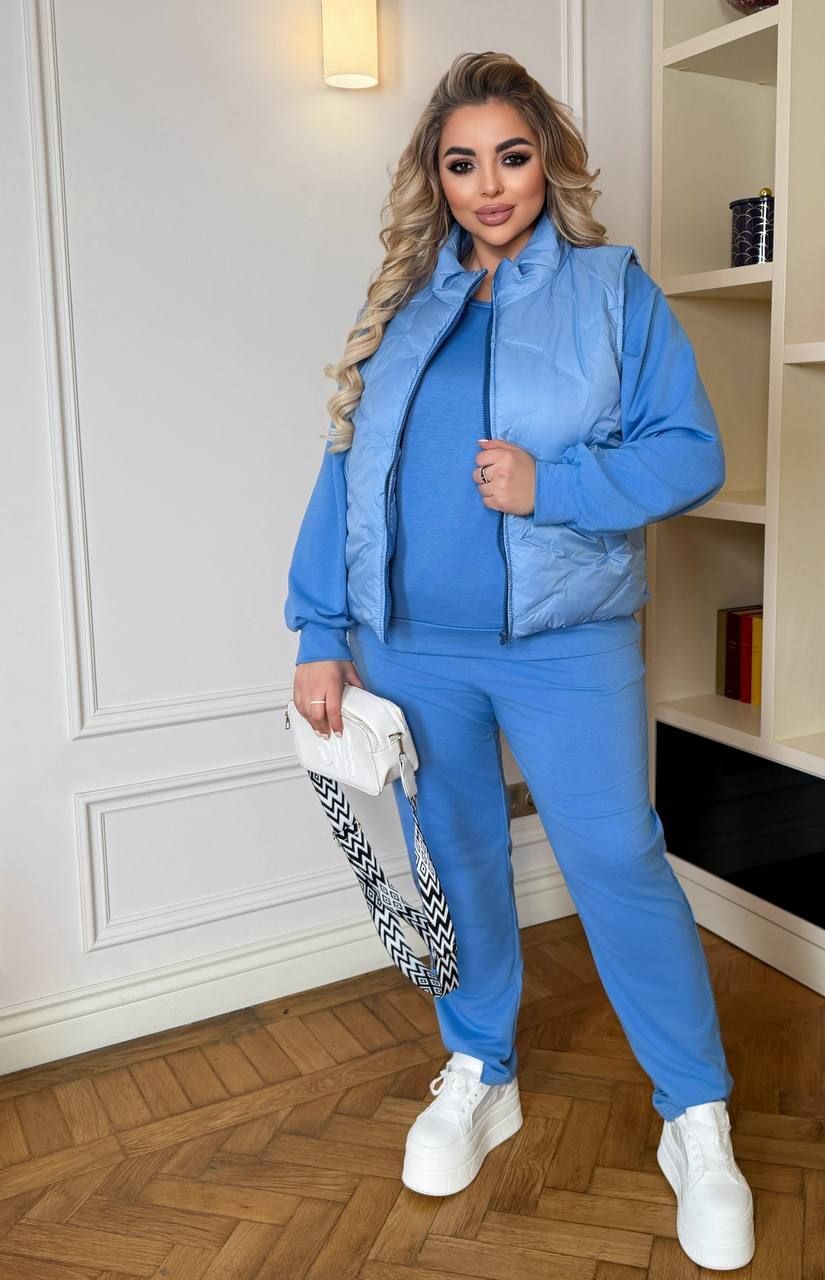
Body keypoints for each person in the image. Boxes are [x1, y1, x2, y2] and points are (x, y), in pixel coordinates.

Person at [284, 50, 755, 1272]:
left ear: (546, 162)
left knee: (616, 857)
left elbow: (691, 451)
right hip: (410, 645)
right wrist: (321, 629)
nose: (490, 185)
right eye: (463, 163)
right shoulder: (404, 306)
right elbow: (344, 475)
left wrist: (556, 484)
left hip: (565, 641)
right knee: (460, 859)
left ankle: (696, 1114)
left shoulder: (610, 292)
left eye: (512, 156)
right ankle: (480, 1066)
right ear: (435, 178)